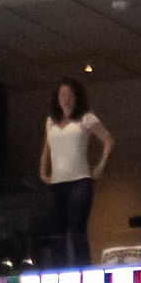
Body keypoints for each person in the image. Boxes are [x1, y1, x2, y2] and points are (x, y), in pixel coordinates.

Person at [36, 79, 113, 268]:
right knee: (57, 231)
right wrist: (43, 169)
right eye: (62, 95)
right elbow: (47, 147)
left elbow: (108, 140)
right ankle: (59, 272)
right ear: (57, 98)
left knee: (77, 228)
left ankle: (82, 270)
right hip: (57, 182)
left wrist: (100, 165)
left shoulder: (86, 118)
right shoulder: (51, 121)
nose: (66, 99)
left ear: (77, 97)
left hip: (80, 180)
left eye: (70, 95)